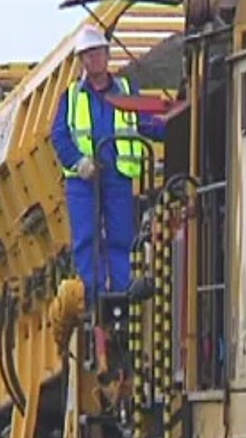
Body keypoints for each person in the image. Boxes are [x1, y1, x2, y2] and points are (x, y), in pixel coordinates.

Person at [50, 26, 166, 306]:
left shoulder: (126, 90)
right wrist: (78, 163)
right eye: (88, 55)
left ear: (107, 55)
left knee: (121, 235)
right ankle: (95, 298)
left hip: (117, 175)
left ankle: (123, 294)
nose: (94, 60)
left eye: (98, 53)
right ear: (82, 61)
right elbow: (59, 135)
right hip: (83, 180)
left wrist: (175, 127)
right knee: (87, 239)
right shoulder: (72, 96)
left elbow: (144, 122)